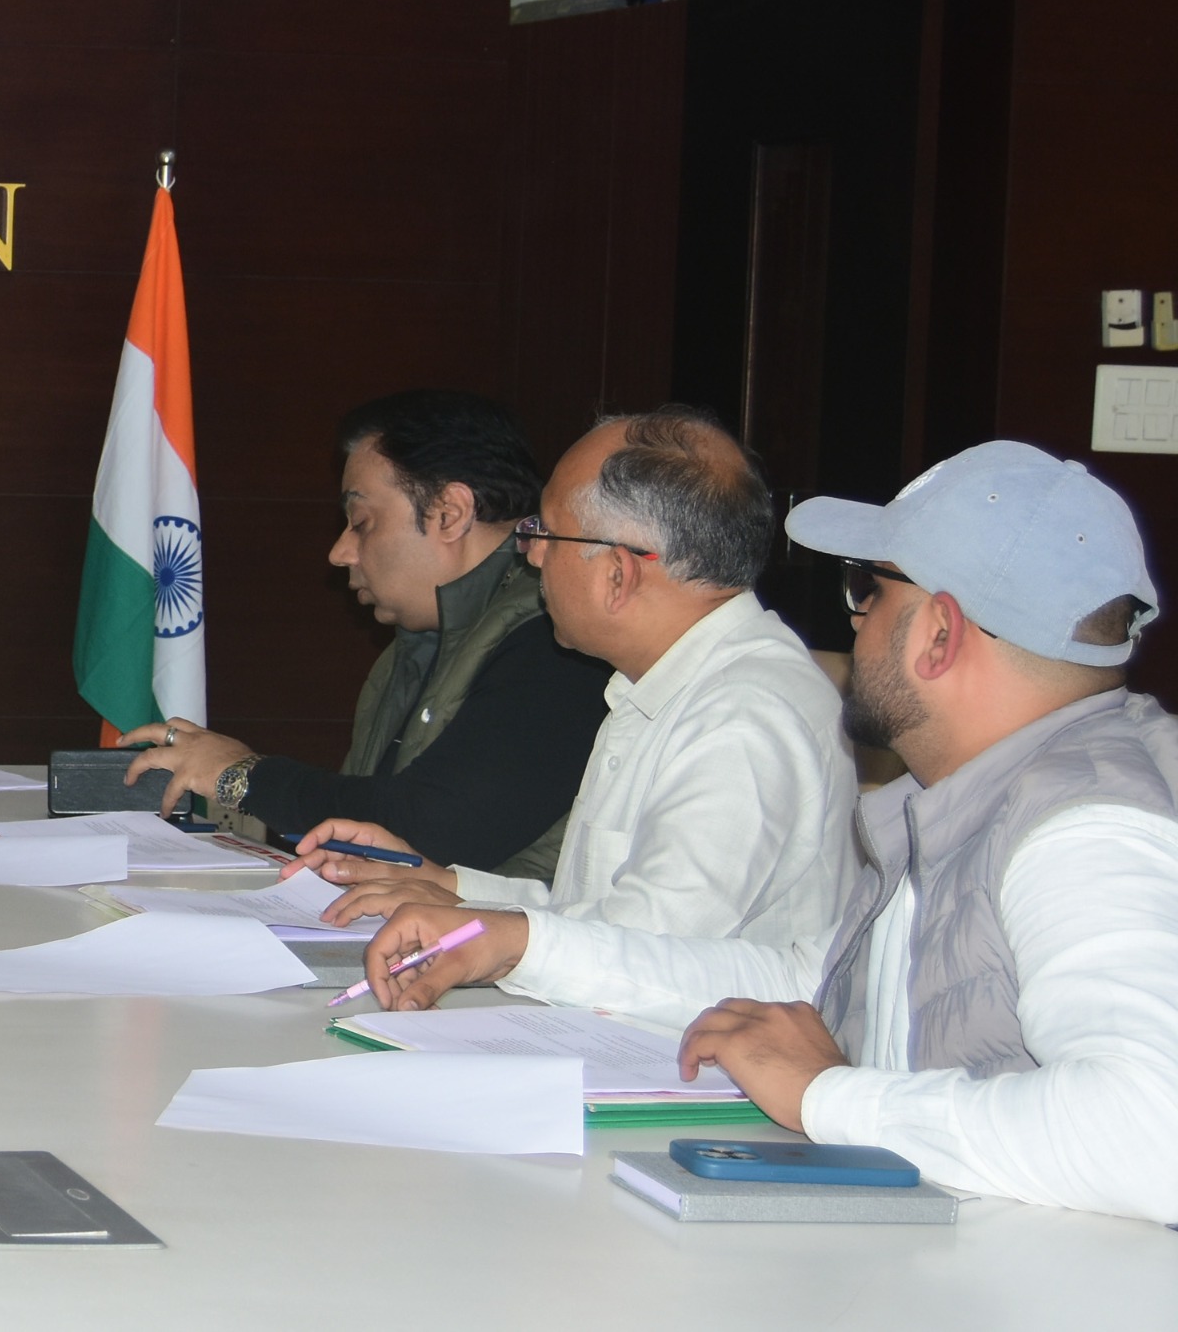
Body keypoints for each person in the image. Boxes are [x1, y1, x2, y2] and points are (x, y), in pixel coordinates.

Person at [355, 441, 1178, 1222]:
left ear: (939, 633)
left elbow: (1151, 1134)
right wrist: (518, 943)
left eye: (869, 589)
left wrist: (824, 1093)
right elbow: (803, 977)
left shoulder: (1086, 828)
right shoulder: (975, 793)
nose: (854, 622)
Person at [300, 406, 854, 946]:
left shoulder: (743, 718)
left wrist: (499, 937)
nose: (531, 556)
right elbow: (598, 912)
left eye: (545, 533)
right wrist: (448, 887)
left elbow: (648, 953)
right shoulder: (666, 684)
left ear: (618, 573)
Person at [121, 390, 609, 876]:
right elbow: (363, 831)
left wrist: (244, 776)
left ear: (450, 513)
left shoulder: (556, 640)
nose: (339, 553)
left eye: (361, 522)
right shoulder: (411, 649)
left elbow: (428, 830)